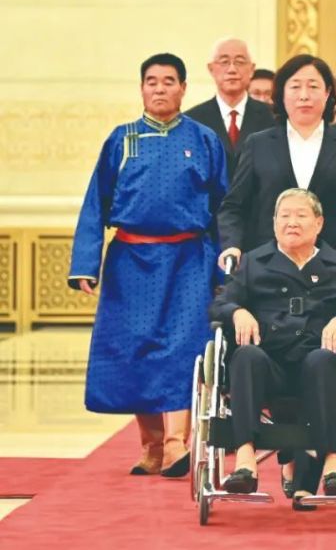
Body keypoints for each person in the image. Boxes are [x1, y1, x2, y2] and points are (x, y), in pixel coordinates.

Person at [68, 53, 228, 478]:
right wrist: (86, 263)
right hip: (130, 262)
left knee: (182, 349)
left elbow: (224, 207)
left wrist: (224, 267)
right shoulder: (121, 140)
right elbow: (95, 202)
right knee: (136, 349)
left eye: (169, 81)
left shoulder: (205, 140)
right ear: (141, 88)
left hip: (189, 261)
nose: (160, 88)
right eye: (152, 81)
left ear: (183, 88)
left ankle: (177, 444)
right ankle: (151, 445)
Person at [209, 188, 336, 499]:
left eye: (301, 215)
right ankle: (246, 461)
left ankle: (333, 462)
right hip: (270, 363)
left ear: (319, 223)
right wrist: (237, 312)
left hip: (320, 365)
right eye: (284, 215)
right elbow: (220, 304)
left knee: (322, 359)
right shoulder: (253, 262)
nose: (292, 222)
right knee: (245, 355)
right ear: (274, 222)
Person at [217, 54, 336, 268]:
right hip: (268, 266)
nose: (304, 96)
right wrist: (232, 246)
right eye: (295, 87)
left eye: (313, 87)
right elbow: (233, 207)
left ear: (327, 93)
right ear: (282, 94)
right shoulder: (258, 144)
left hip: (332, 266)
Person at [186, 38, 276, 179]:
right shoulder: (193, 120)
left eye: (239, 62)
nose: (232, 69)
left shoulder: (272, 116)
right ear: (211, 69)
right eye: (224, 62)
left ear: (252, 69)